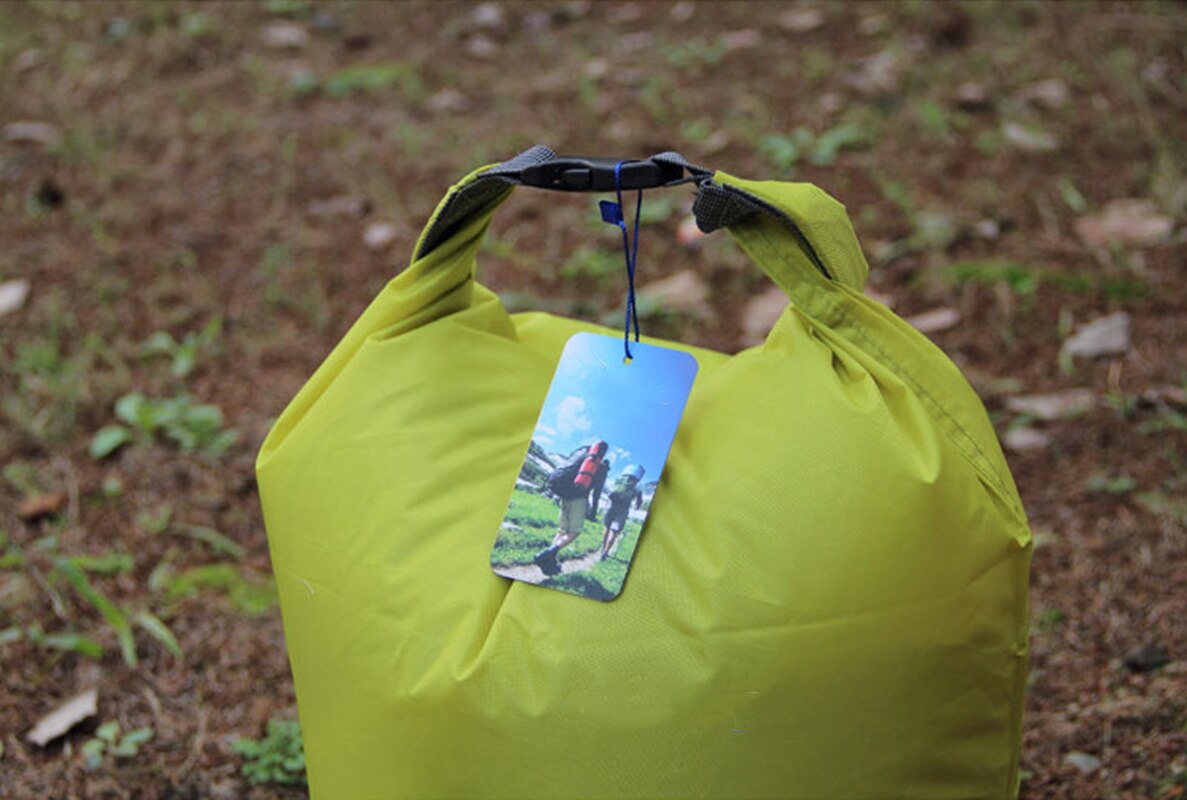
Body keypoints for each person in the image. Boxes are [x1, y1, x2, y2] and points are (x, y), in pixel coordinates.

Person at [533, 440, 609, 576]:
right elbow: (596, 493)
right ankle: (546, 554)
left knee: (562, 530)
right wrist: (593, 512)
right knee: (574, 531)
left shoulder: (582, 455)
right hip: (579, 498)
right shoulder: (601, 467)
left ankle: (549, 563)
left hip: (564, 495)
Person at [599, 464, 645, 561]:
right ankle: (605, 552)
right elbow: (639, 501)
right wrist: (637, 507)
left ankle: (602, 547)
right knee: (614, 531)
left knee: (607, 527)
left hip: (611, 504)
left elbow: (611, 490)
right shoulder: (638, 485)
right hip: (624, 508)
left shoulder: (620, 478)